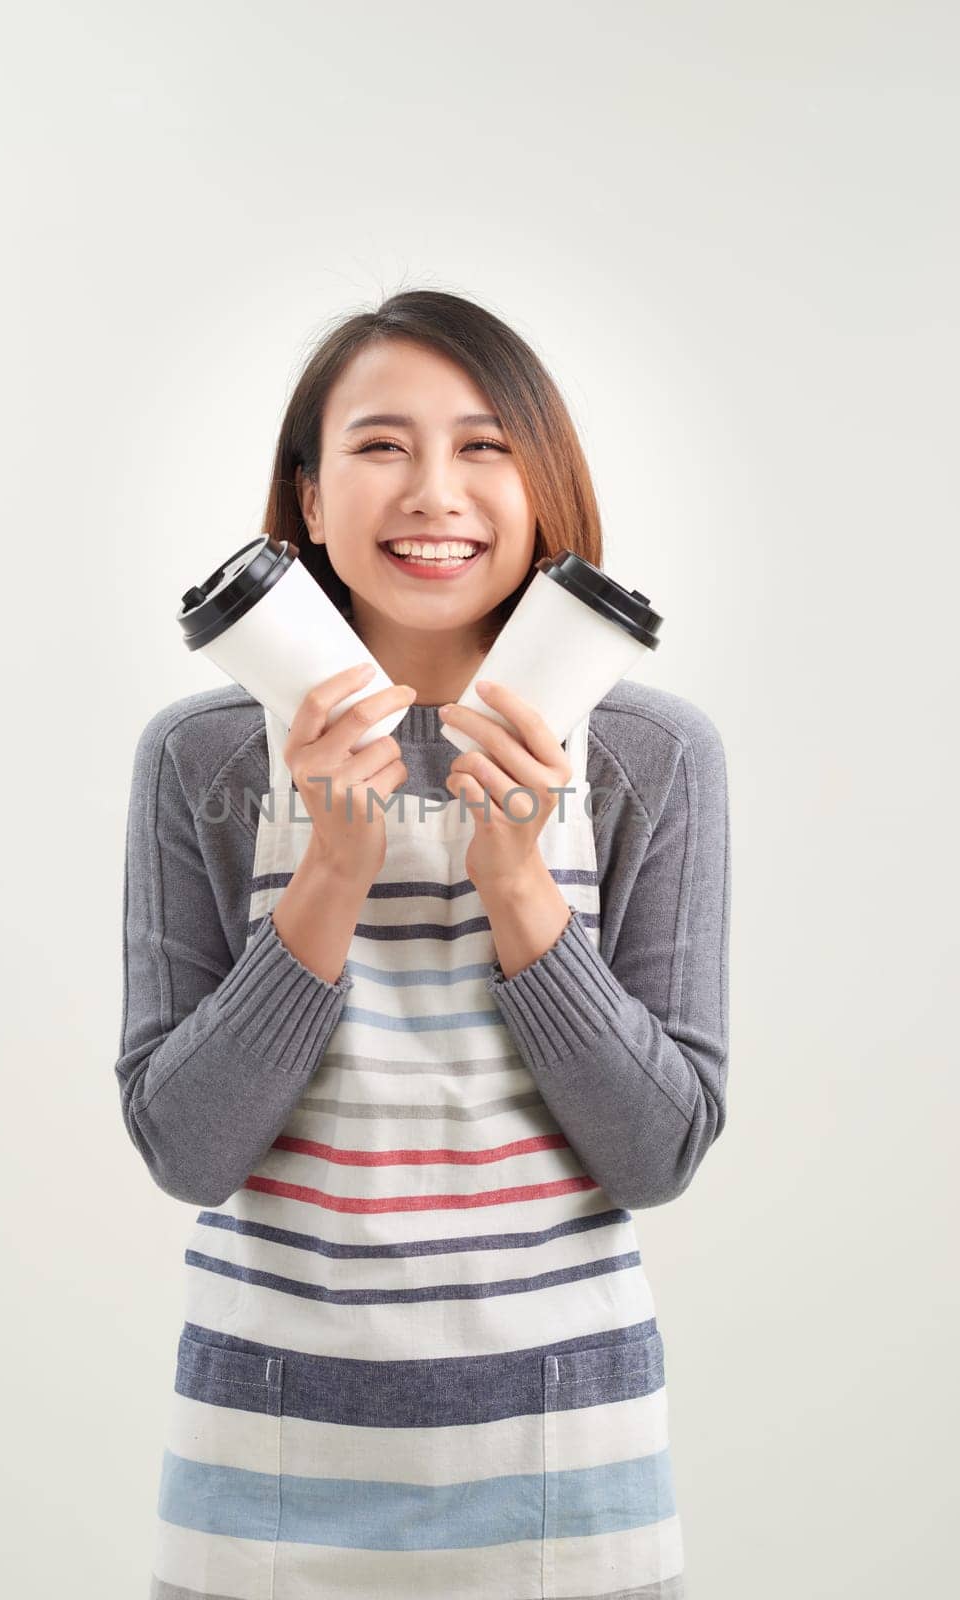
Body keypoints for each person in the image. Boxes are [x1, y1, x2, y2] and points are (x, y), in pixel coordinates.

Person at [115, 288, 731, 1599]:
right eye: (382, 447)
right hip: (267, 1474)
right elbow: (187, 1149)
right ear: (311, 500)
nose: (434, 492)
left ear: (544, 489)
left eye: (486, 447)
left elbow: (660, 1150)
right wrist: (331, 870)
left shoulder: (651, 757)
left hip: (569, 1471)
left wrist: (520, 885)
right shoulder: (205, 757)